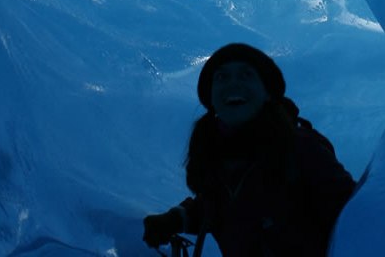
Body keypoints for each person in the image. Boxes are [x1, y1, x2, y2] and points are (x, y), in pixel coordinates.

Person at [143, 43, 356, 256]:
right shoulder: (215, 156)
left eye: (246, 75)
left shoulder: (301, 149)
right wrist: (176, 219)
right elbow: (216, 209)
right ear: (211, 98)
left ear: (268, 94)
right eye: (222, 77)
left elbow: (354, 216)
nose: (233, 84)